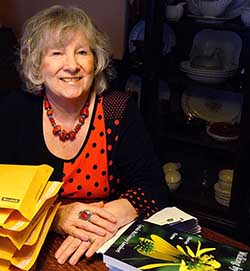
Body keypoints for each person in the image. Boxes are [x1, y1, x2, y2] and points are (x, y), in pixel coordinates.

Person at [0, 5, 170, 266]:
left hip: (101, 244)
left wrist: (112, 214)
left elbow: (154, 188)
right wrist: (55, 217)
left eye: (82, 52)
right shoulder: (14, 110)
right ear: (37, 66)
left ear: (96, 60)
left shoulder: (118, 109)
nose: (72, 65)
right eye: (57, 53)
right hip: (34, 247)